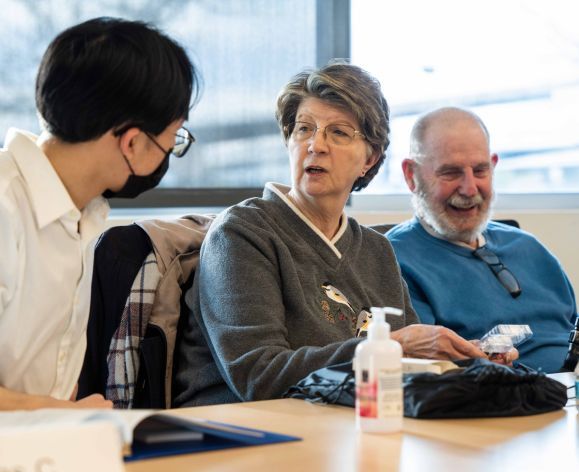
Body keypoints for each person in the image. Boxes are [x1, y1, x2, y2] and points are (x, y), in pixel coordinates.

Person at [173, 64, 486, 407]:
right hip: (245, 436)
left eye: (338, 133)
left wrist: (473, 362)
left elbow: (410, 365)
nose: (315, 145)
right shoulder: (241, 234)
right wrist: (388, 348)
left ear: (370, 159)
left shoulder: (377, 250)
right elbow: (259, 376)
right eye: (304, 129)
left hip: (344, 429)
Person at [0, 17, 199, 410]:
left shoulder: (83, 217)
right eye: (173, 138)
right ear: (133, 141)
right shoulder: (7, 206)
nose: (169, 153)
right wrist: (70, 417)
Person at [387, 107, 576, 373]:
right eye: (450, 173)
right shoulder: (392, 260)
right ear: (411, 175)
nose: (469, 188)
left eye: (480, 170)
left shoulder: (530, 248)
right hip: (501, 401)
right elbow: (425, 372)